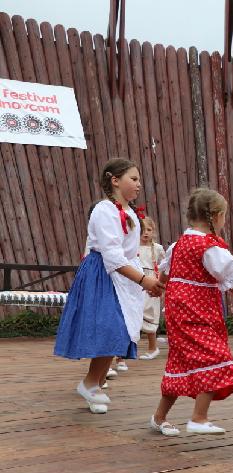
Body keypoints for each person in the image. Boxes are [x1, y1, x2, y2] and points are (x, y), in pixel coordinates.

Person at [54, 158, 163, 414]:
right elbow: (112, 256)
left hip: (123, 275)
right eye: (133, 179)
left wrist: (146, 281)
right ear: (115, 180)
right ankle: (91, 383)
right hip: (102, 274)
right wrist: (143, 279)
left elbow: (130, 253)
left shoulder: (132, 214)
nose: (138, 185)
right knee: (110, 326)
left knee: (121, 328)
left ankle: (94, 383)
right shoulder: (104, 210)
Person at [150, 188, 233, 436]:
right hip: (195, 311)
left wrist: (159, 287)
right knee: (213, 356)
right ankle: (199, 417)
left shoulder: (179, 243)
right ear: (217, 216)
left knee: (180, 362)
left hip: (177, 312)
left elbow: (165, 273)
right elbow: (232, 282)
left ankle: (158, 417)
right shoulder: (209, 247)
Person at [138, 216, 166, 360]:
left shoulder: (157, 248)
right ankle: (123, 354)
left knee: (149, 314)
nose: (145, 233)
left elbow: (166, 265)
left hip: (152, 285)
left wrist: (160, 283)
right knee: (134, 314)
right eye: (142, 229)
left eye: (149, 229)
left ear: (153, 232)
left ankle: (152, 347)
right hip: (136, 283)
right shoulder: (132, 247)